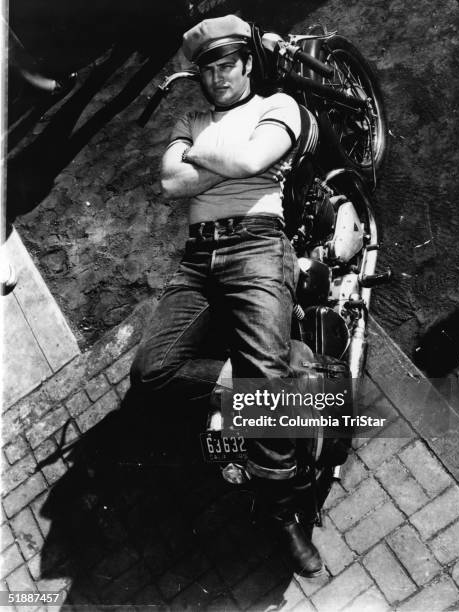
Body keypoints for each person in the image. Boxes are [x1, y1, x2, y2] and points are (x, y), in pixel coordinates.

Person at [130, 14, 323, 577]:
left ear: (245, 63)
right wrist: (224, 160)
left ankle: (282, 510)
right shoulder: (189, 117)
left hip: (258, 246)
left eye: (226, 64)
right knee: (153, 371)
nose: (217, 77)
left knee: (264, 386)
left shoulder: (278, 105)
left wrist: (198, 156)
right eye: (206, 69)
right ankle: (263, 380)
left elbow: (245, 163)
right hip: (197, 258)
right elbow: (170, 183)